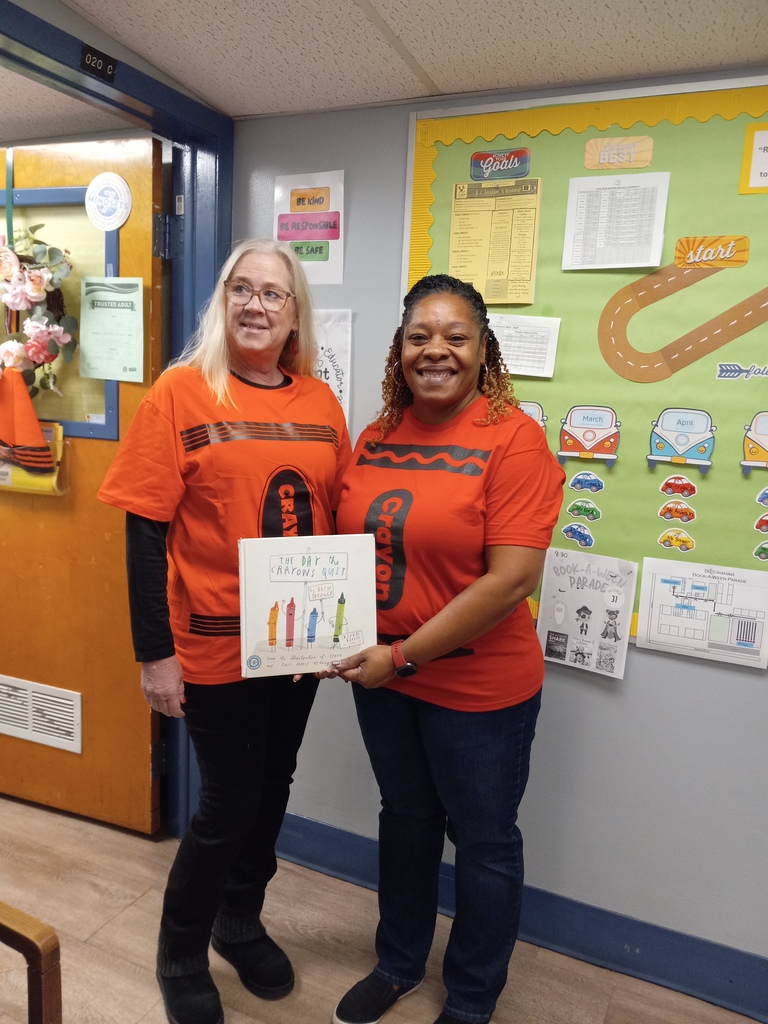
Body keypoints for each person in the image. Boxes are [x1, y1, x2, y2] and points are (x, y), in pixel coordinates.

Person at [98, 238, 351, 1024]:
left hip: (298, 643)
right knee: (228, 803)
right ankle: (180, 950)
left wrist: (342, 628)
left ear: (294, 314)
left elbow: (333, 520)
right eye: (241, 288)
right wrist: (155, 654)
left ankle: (239, 922)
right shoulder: (180, 393)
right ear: (222, 301)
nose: (255, 304)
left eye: (273, 293)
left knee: (271, 789)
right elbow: (145, 533)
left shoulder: (321, 403)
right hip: (212, 643)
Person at [325, 274, 565, 1024]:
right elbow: (348, 550)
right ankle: (398, 964)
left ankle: (470, 997)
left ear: (484, 350)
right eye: (419, 336)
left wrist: (401, 656)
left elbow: (511, 580)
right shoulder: (377, 435)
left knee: (484, 843)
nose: (436, 350)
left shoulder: (514, 439)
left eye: (456, 337)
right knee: (405, 820)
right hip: (385, 681)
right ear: (398, 350)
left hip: (477, 692)